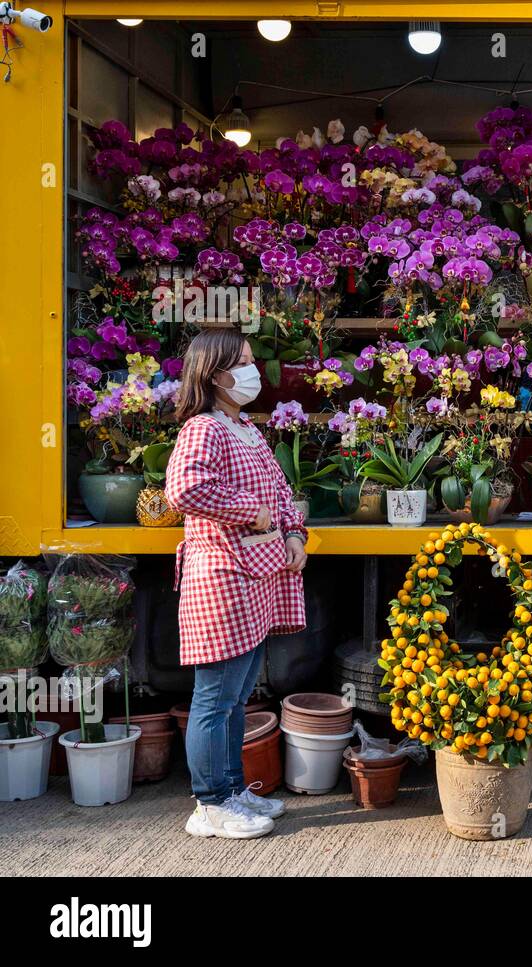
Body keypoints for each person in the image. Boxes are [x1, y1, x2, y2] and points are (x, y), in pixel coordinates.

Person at [165, 330, 308, 839]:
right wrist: (256, 513)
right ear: (215, 374)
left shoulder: (245, 427)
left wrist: (294, 533)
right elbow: (185, 489)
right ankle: (209, 804)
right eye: (242, 363)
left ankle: (231, 789)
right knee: (216, 697)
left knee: (237, 695)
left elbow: (282, 493)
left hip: (253, 576)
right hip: (221, 577)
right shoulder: (203, 428)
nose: (252, 372)